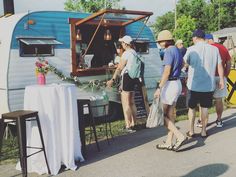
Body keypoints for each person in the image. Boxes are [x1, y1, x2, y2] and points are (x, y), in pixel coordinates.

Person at [184, 29, 224, 138]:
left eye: (193, 38)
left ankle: (191, 131)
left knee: (191, 108)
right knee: (205, 108)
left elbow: (185, 64)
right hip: (208, 85)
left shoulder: (191, 49)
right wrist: (221, 80)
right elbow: (219, 65)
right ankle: (203, 131)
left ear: (195, 38)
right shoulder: (214, 49)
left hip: (193, 85)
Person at [155, 30, 186, 151]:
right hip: (177, 83)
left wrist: (159, 88)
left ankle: (179, 136)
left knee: (163, 116)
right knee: (170, 114)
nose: (160, 43)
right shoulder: (177, 50)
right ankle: (168, 142)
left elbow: (167, 72)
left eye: (161, 41)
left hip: (170, 84)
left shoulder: (168, 51)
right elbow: (184, 63)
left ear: (166, 41)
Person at [106, 35, 138, 133]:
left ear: (125, 44)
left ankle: (128, 126)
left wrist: (112, 79)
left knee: (125, 103)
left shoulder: (126, 54)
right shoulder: (134, 53)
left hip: (127, 78)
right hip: (134, 78)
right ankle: (134, 123)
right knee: (132, 102)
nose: (121, 45)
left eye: (122, 43)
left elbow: (119, 68)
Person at [204, 34, 231, 127]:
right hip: (220, 77)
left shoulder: (206, 49)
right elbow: (228, 63)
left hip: (208, 77)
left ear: (208, 40)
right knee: (219, 100)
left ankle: (203, 121)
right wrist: (225, 76)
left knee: (205, 100)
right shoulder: (223, 48)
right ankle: (219, 120)